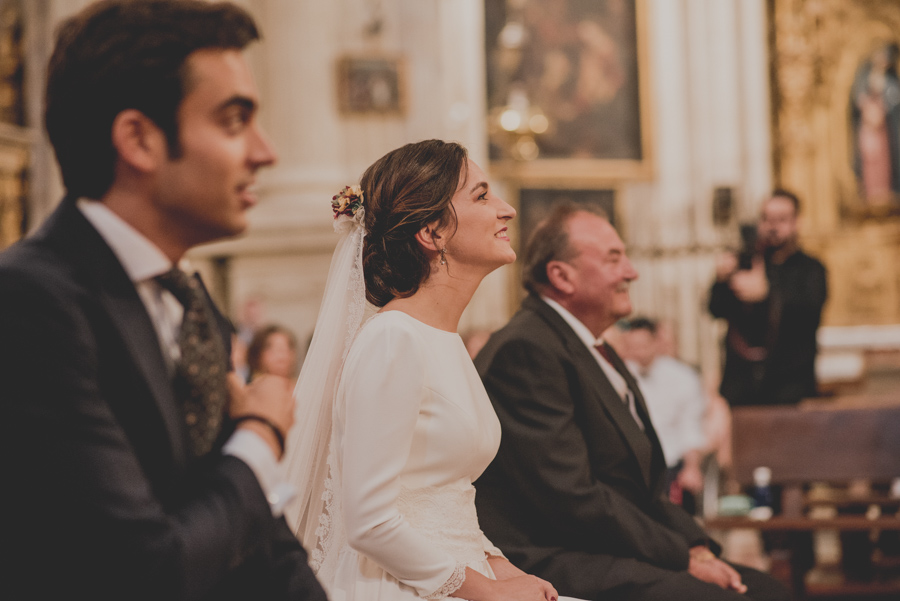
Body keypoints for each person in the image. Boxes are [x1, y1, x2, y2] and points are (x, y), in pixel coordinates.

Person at [0, 2, 326, 600]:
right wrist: (261, 432)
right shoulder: (29, 302)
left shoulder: (187, 301)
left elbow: (257, 537)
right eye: (234, 122)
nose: (265, 152)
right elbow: (141, 571)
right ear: (140, 140)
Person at [281, 139, 566, 601]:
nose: (507, 209)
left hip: (459, 573)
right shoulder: (392, 340)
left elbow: (442, 498)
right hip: (397, 586)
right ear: (431, 234)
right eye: (481, 196)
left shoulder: (442, 339)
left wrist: (503, 569)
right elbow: (370, 522)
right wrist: (488, 592)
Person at [473, 204, 790, 601]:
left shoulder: (589, 345)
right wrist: (680, 557)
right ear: (561, 276)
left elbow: (640, 486)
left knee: (764, 589)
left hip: (600, 540)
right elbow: (571, 496)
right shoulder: (525, 350)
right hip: (551, 555)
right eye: (613, 258)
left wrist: (695, 545)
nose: (632, 271)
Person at [709, 190, 828, 407]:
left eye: (781, 219)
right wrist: (720, 280)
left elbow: (810, 313)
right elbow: (715, 310)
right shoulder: (745, 262)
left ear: (796, 223)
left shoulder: (811, 269)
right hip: (742, 388)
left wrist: (767, 295)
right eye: (766, 219)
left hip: (790, 386)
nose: (772, 226)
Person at [619, 317, 708, 513]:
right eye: (632, 346)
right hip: (631, 464)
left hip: (671, 464)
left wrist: (692, 467)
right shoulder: (619, 375)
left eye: (643, 345)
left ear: (656, 343)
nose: (638, 352)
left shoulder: (683, 377)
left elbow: (690, 427)